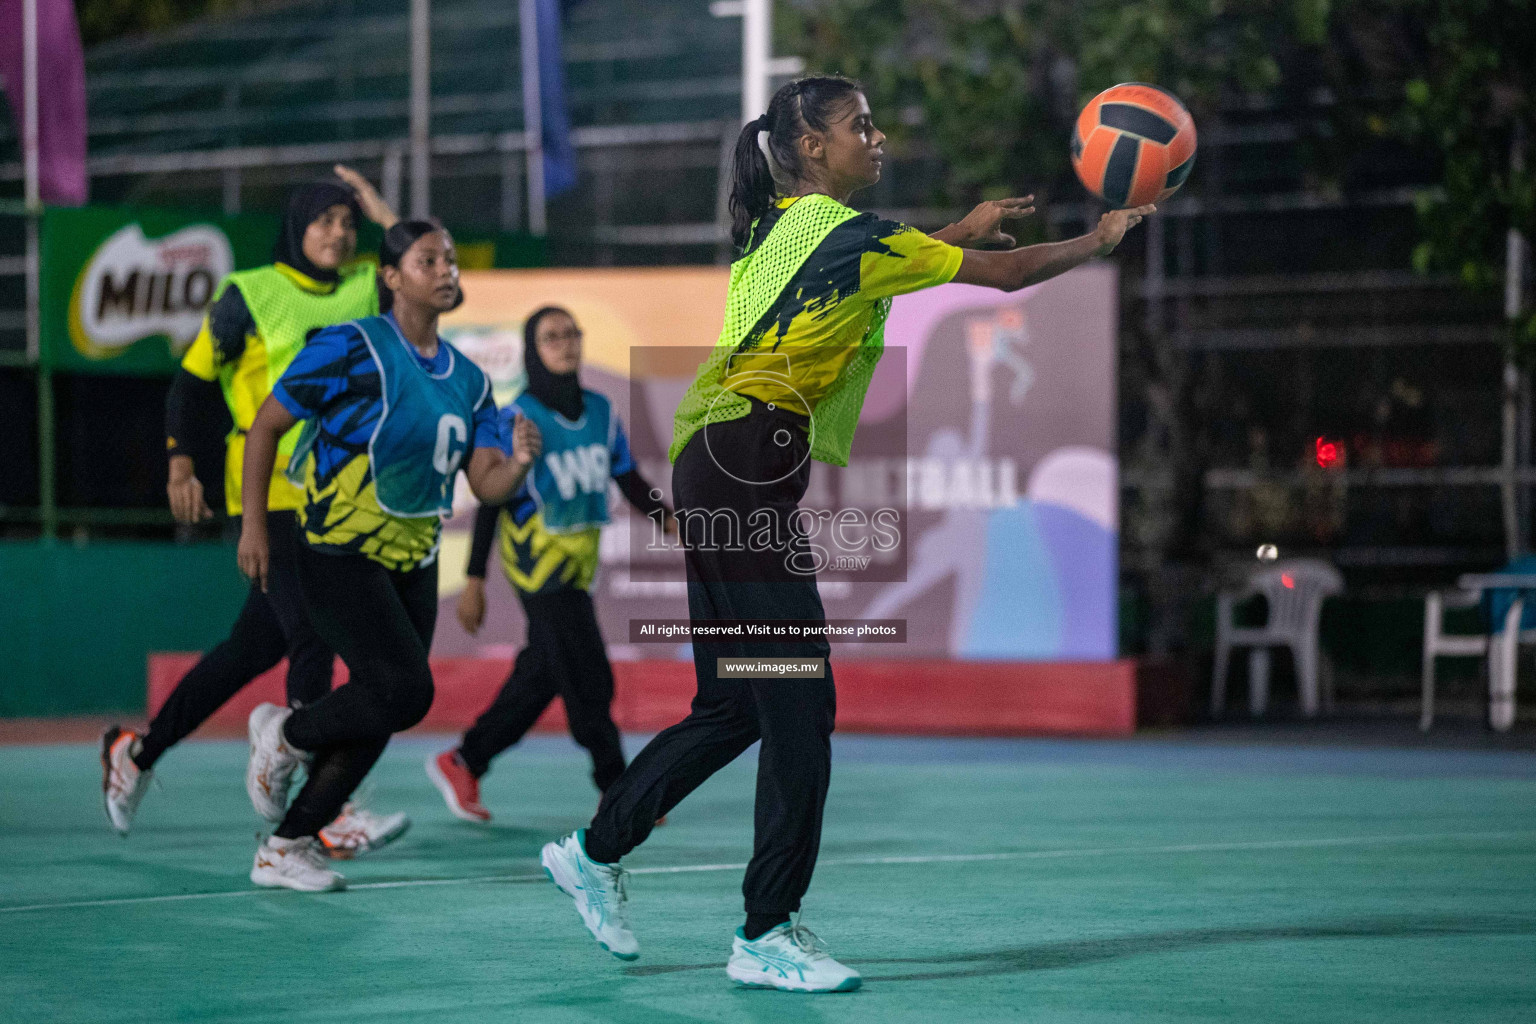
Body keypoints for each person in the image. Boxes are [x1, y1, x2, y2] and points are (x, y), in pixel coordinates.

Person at [539, 75, 1153, 991]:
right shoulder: (847, 233)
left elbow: (873, 270)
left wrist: (951, 233)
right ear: (815, 148)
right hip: (742, 471)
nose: (878, 138)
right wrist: (1099, 238)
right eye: (860, 126)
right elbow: (1011, 275)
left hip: (716, 462)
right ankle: (766, 931)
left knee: (734, 705)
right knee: (799, 703)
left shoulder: (786, 230)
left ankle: (595, 851)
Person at [100, 167, 411, 859]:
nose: (336, 232)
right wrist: (182, 462)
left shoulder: (366, 287)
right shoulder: (250, 294)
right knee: (313, 634)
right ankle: (323, 810)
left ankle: (138, 751)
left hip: (341, 496)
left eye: (345, 222)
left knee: (251, 649)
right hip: (271, 493)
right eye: (323, 220)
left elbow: (417, 259)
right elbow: (191, 384)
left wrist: (378, 207)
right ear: (296, 227)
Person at [237, 220, 542, 892]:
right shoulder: (351, 347)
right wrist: (254, 526)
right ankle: (286, 734)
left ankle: (285, 845)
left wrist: (518, 465)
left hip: (414, 556)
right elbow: (267, 426)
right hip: (336, 548)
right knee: (406, 691)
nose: (446, 270)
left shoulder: (469, 380)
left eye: (452, 260)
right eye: (428, 259)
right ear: (391, 275)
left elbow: (484, 483)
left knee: (386, 704)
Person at [427, 306, 673, 822]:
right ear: (533, 350)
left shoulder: (602, 412)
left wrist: (670, 520)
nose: (565, 343)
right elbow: (493, 499)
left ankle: (464, 759)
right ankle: (617, 787)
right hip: (537, 566)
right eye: (551, 336)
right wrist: (474, 580)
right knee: (590, 676)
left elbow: (626, 478)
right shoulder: (516, 418)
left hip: (578, 564)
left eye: (571, 334)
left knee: (541, 676)